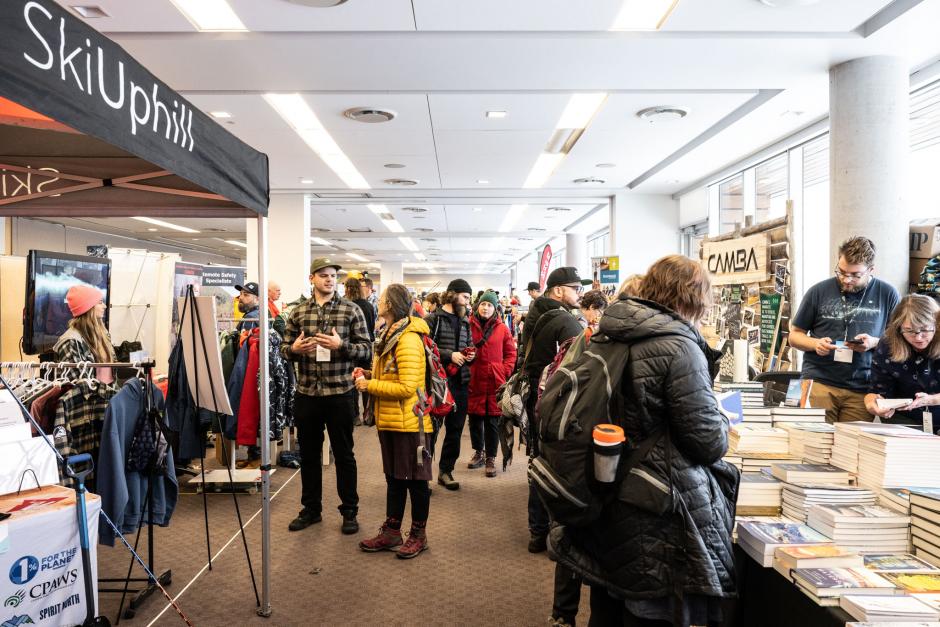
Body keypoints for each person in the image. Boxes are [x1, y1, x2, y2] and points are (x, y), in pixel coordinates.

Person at [552, 255, 736, 627]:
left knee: (609, 598)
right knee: (649, 607)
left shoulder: (610, 332)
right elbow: (708, 442)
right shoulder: (678, 346)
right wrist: (720, 413)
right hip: (657, 500)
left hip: (610, 484)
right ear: (692, 298)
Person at [281, 258, 372, 534]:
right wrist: (294, 349)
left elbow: (367, 350)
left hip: (340, 394)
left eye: (333, 276)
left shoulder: (351, 310)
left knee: (344, 455)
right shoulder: (298, 313)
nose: (329, 279)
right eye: (323, 275)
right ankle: (311, 509)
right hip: (307, 394)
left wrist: (340, 345)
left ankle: (349, 512)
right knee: (308, 455)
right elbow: (284, 348)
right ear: (312, 279)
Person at [356, 284, 433, 559]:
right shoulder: (390, 334)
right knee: (394, 478)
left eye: (383, 298)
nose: (379, 302)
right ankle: (391, 532)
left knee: (416, 481)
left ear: (390, 304)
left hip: (411, 422)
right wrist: (367, 374)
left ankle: (418, 535)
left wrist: (370, 385)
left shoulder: (408, 338)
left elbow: (407, 387)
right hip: (391, 420)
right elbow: (391, 375)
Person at [790, 237, 900, 423]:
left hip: (862, 388)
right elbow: (794, 336)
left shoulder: (888, 294)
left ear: (871, 270)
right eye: (841, 272)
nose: (846, 279)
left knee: (850, 448)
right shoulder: (818, 291)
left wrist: (873, 343)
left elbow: (899, 342)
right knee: (814, 445)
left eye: (855, 275)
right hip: (818, 381)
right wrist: (815, 343)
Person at [524, 267, 587, 552]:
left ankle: (537, 532)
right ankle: (553, 535)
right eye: (576, 287)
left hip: (538, 402)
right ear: (559, 290)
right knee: (556, 469)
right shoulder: (566, 322)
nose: (580, 293)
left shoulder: (539, 313)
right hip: (557, 406)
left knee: (539, 464)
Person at [425, 279, 475, 491]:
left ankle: (446, 471)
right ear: (452, 294)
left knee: (454, 430)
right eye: (465, 297)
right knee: (430, 431)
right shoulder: (433, 319)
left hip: (460, 383)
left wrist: (470, 354)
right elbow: (424, 347)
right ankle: (423, 475)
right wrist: (450, 355)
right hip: (438, 384)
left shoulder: (465, 321)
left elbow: (469, 344)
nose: (468, 302)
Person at [866, 294, 940, 431]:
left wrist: (931, 399)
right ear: (898, 328)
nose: (918, 337)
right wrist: (872, 405)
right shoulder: (888, 344)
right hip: (904, 419)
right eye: (909, 330)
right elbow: (876, 391)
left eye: (925, 329)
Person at [467, 291, 517, 477]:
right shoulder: (469, 325)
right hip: (475, 379)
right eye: (483, 304)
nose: (485, 308)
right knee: (474, 419)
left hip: (495, 381)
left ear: (495, 308)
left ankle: (491, 457)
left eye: (489, 305)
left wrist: (504, 371)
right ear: (477, 306)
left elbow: (511, 353)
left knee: (492, 421)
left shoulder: (503, 328)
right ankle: (478, 452)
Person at [54, 284, 115, 383]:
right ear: (88, 308)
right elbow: (81, 386)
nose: (105, 306)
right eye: (100, 302)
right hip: (96, 398)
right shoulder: (71, 342)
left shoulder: (103, 334)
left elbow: (111, 376)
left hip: (111, 395)